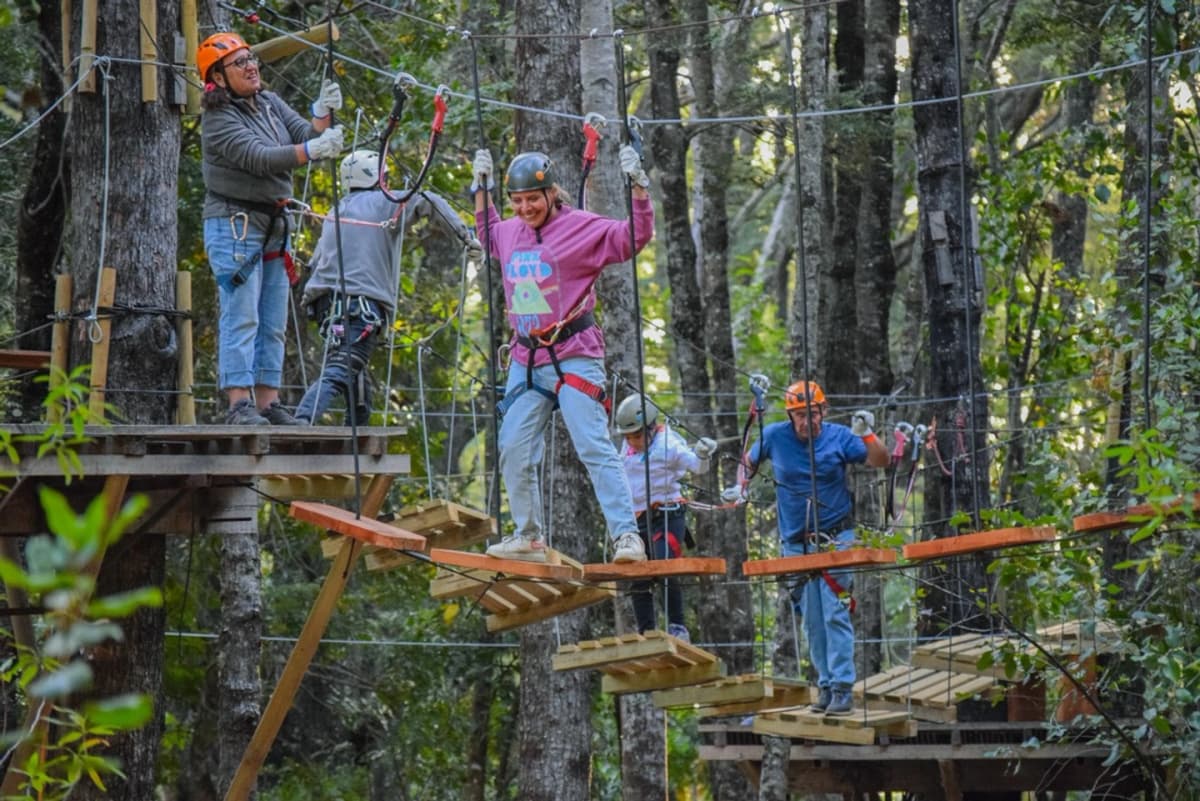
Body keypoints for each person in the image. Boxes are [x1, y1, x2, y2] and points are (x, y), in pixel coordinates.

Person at [471, 145, 655, 564]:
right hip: (526, 359)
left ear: (553, 193)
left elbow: (633, 238)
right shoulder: (510, 231)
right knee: (513, 446)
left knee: (592, 445)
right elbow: (487, 234)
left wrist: (639, 189)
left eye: (533, 199)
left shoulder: (581, 228)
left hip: (574, 354)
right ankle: (528, 535)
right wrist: (479, 188)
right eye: (516, 201)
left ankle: (627, 537)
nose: (525, 209)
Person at [198, 31, 345, 425]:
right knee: (242, 313)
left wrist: (320, 113)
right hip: (235, 222)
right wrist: (311, 150)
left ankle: (267, 401)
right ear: (218, 76)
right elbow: (261, 157)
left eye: (252, 59)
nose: (251, 67)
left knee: (273, 317)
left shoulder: (268, 103)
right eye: (240, 63)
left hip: (273, 222)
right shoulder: (217, 119)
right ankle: (238, 403)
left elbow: (305, 136)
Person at [295, 150, 483, 425]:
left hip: (327, 308)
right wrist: (466, 239)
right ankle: (303, 418)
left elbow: (316, 262)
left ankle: (356, 430)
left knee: (352, 364)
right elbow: (429, 200)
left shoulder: (337, 211)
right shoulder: (385, 203)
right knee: (345, 365)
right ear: (377, 177)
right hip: (359, 307)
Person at [738, 380, 888, 716]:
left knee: (835, 612)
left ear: (824, 409)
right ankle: (824, 684)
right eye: (800, 415)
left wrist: (866, 433)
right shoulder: (775, 436)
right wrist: (740, 487)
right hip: (795, 544)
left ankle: (842, 688)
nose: (808, 421)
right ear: (790, 415)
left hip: (836, 539)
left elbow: (881, 460)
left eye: (814, 413)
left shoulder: (838, 437)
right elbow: (746, 464)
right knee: (812, 620)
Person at [614, 394, 717, 643]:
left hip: (668, 515)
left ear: (651, 428)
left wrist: (703, 454)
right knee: (638, 574)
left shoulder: (669, 443)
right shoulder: (626, 449)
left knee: (666, 564)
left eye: (637, 435)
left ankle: (677, 627)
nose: (632, 442)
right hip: (637, 520)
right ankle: (647, 631)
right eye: (628, 436)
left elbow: (696, 466)